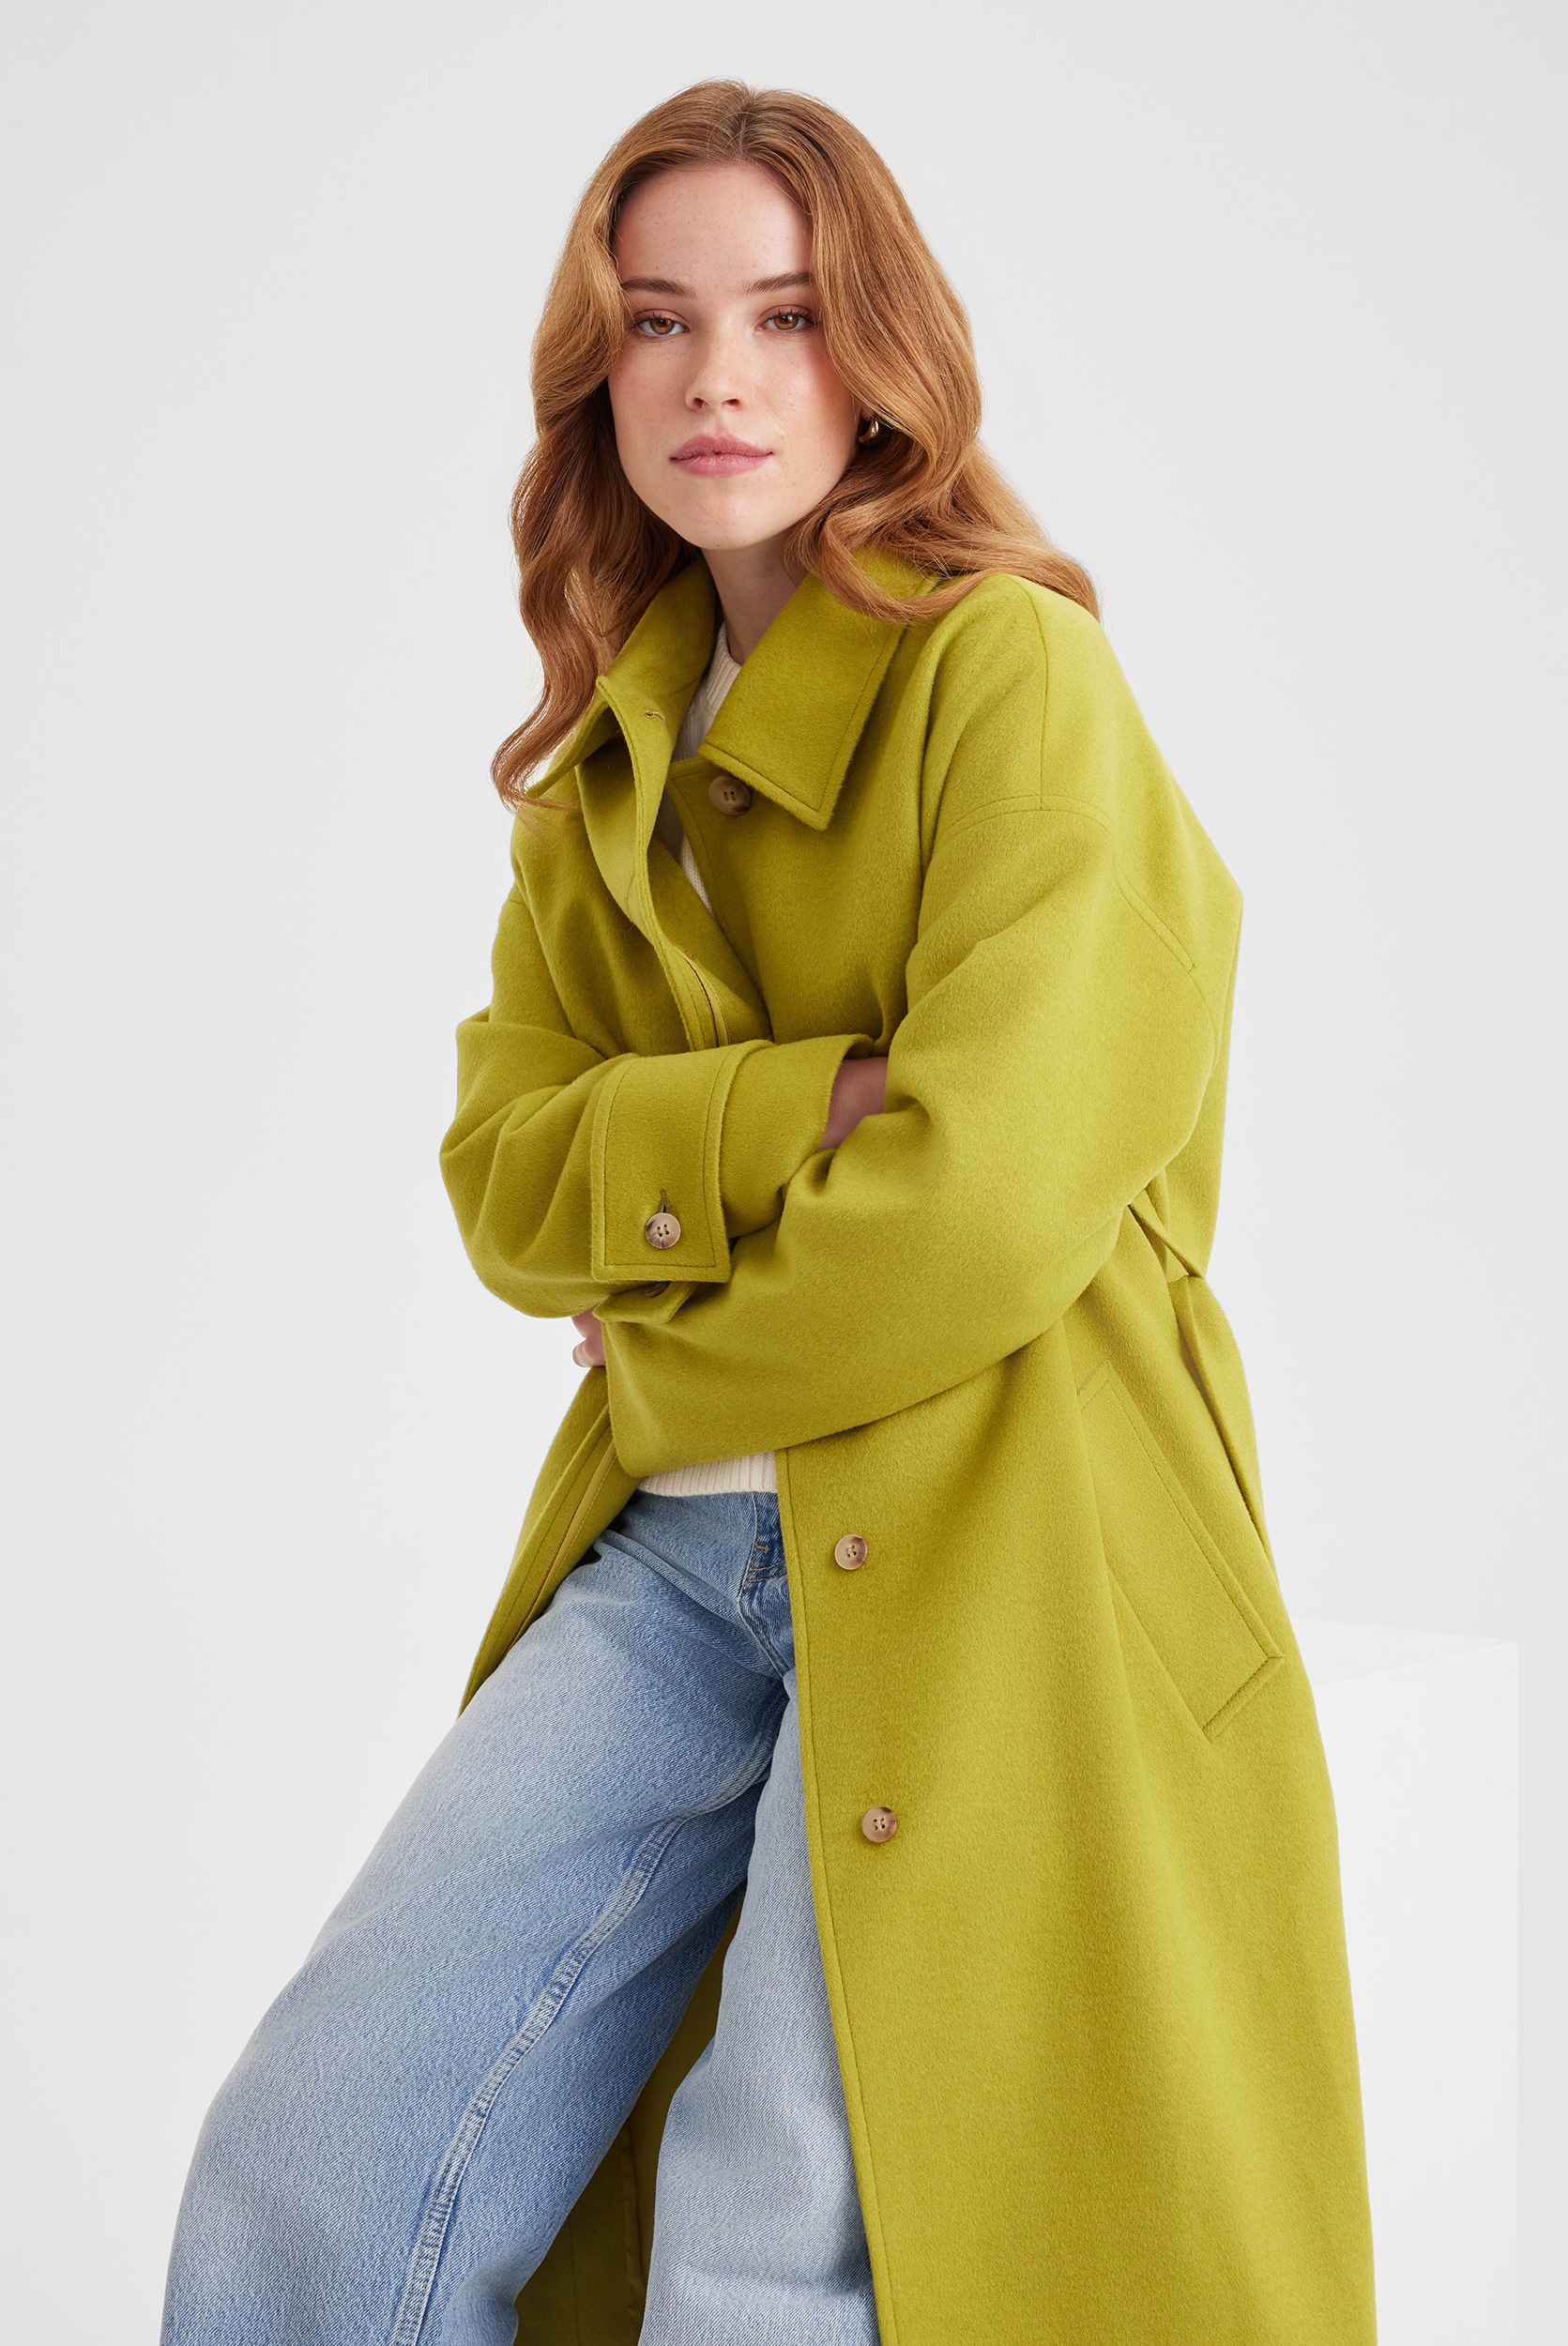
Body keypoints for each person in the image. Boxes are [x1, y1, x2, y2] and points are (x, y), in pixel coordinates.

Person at [160, 79, 1376, 2346]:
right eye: (657, 319)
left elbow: (990, 1195)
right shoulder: (600, 771)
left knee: (778, 2235)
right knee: (317, 2153)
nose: (716, 375)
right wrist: (811, 1096)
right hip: (680, 1560)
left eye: (785, 314)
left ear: (876, 354)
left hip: (1004, 1528)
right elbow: (507, 1173)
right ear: (596, 373)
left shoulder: (1005, 673)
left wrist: (666, 1340)